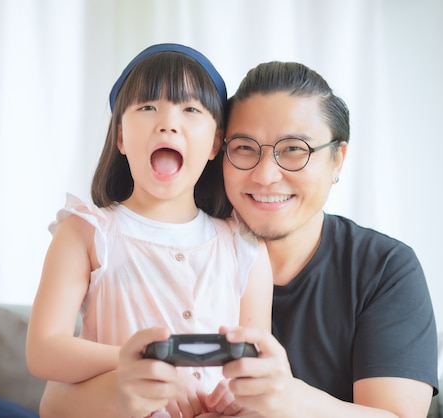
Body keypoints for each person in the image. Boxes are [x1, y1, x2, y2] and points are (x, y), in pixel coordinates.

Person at [38, 60, 438, 418]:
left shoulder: (383, 269)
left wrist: (284, 400)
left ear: (337, 159)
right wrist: (124, 380)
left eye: (294, 150)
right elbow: (54, 398)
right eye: (245, 148)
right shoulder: (104, 235)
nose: (266, 175)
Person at [26, 43, 273, 418]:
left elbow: (256, 355)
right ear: (121, 137)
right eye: (147, 107)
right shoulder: (86, 232)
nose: (168, 123)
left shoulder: (244, 246)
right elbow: (43, 350)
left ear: (215, 143)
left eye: (190, 109)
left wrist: (241, 392)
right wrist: (134, 363)